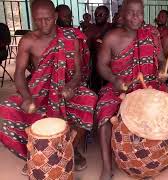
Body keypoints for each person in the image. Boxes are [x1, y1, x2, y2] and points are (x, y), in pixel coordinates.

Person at [96, 0, 168, 179]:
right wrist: (114, 78)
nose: (136, 17)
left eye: (139, 13)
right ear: (122, 15)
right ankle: (106, 166)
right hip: (120, 87)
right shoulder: (111, 37)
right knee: (104, 113)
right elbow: (102, 66)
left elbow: (162, 59)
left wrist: (161, 70)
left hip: (150, 84)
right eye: (131, 13)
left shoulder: (151, 34)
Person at [0, 0, 97, 174]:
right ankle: (34, 155)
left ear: (55, 17)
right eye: (38, 20)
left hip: (65, 88)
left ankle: (71, 149)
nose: (43, 24)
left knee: (89, 98)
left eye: (47, 19)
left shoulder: (70, 38)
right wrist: (26, 96)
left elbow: (77, 72)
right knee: (8, 107)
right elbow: (19, 73)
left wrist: (72, 85)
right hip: (39, 90)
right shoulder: (28, 40)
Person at [85, 5, 112, 93]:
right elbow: (85, 48)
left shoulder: (112, 28)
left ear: (107, 16)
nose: (97, 17)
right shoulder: (90, 29)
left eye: (101, 15)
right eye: (96, 15)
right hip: (95, 67)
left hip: (111, 66)